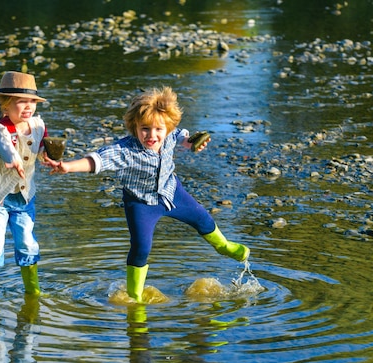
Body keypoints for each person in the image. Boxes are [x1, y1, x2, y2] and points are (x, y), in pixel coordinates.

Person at [43, 86, 249, 303]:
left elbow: (180, 135)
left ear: (167, 127)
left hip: (172, 192)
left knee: (204, 219)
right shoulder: (125, 150)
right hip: (140, 203)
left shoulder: (169, 134)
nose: (152, 136)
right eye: (145, 129)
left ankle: (224, 246)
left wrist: (189, 142)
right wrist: (67, 166)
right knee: (141, 247)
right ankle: (135, 295)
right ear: (135, 127)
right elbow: (98, 160)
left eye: (158, 129)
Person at [0, 71, 48, 302]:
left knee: (27, 242)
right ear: (6, 106)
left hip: (25, 197)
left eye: (32, 102)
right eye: (21, 102)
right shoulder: (0, 128)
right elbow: (2, 145)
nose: (28, 107)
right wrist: (12, 158)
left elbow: (42, 147)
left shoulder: (38, 124)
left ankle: (32, 291)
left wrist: (48, 156)